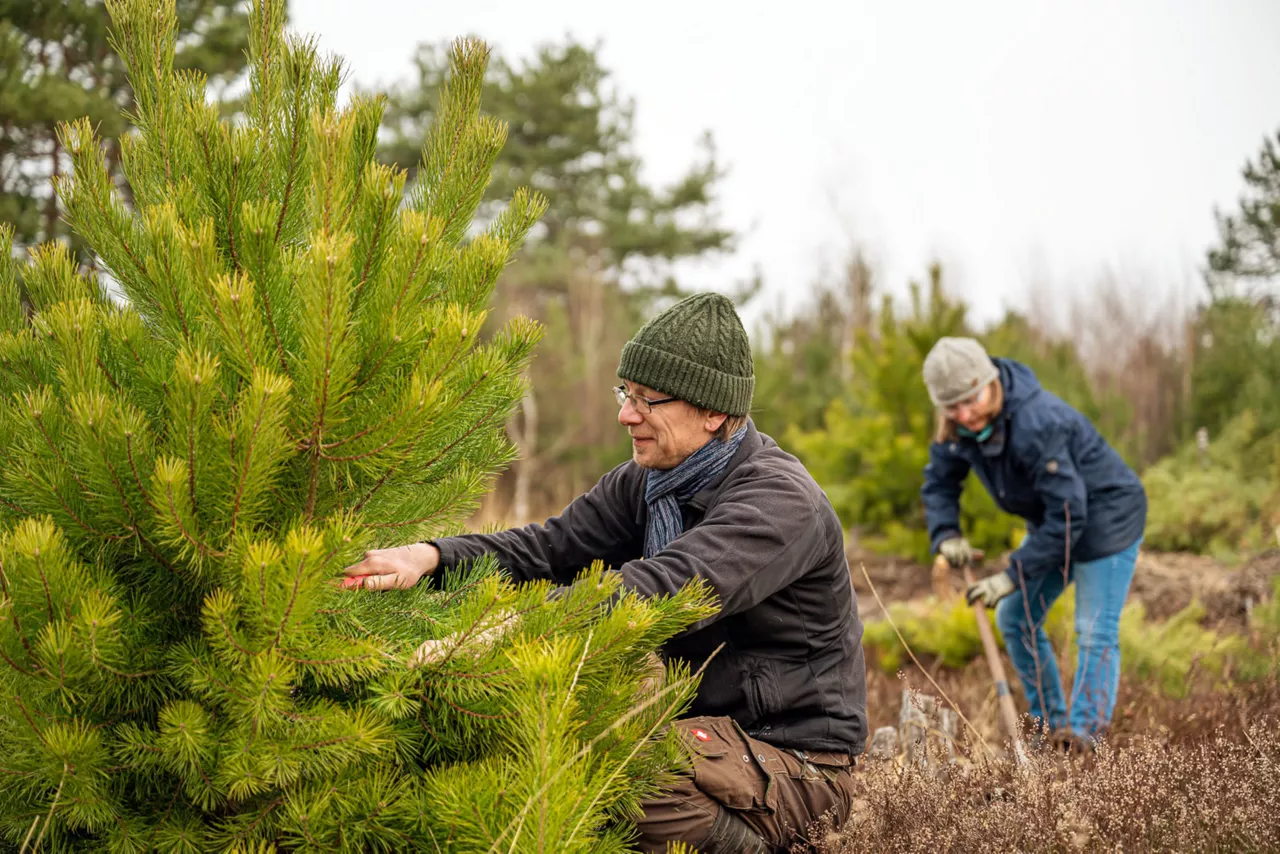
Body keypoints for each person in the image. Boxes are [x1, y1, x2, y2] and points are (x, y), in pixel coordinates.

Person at [342, 293, 868, 853]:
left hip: (795, 763)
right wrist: (429, 557)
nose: (626, 415)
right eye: (625, 393)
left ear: (713, 412)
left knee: (617, 769)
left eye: (648, 400)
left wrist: (508, 628)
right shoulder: (649, 482)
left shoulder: (778, 501)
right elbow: (548, 548)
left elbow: (667, 587)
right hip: (713, 746)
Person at [920, 337, 1147, 748]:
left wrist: (1012, 575)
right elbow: (939, 481)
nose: (965, 414)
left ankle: (1083, 739)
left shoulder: (1038, 422)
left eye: (970, 400)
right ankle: (1050, 728)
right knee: (1014, 618)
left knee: (1093, 629)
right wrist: (946, 533)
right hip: (1054, 521)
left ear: (989, 381)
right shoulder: (960, 427)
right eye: (952, 407)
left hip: (1106, 517)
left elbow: (1069, 514)